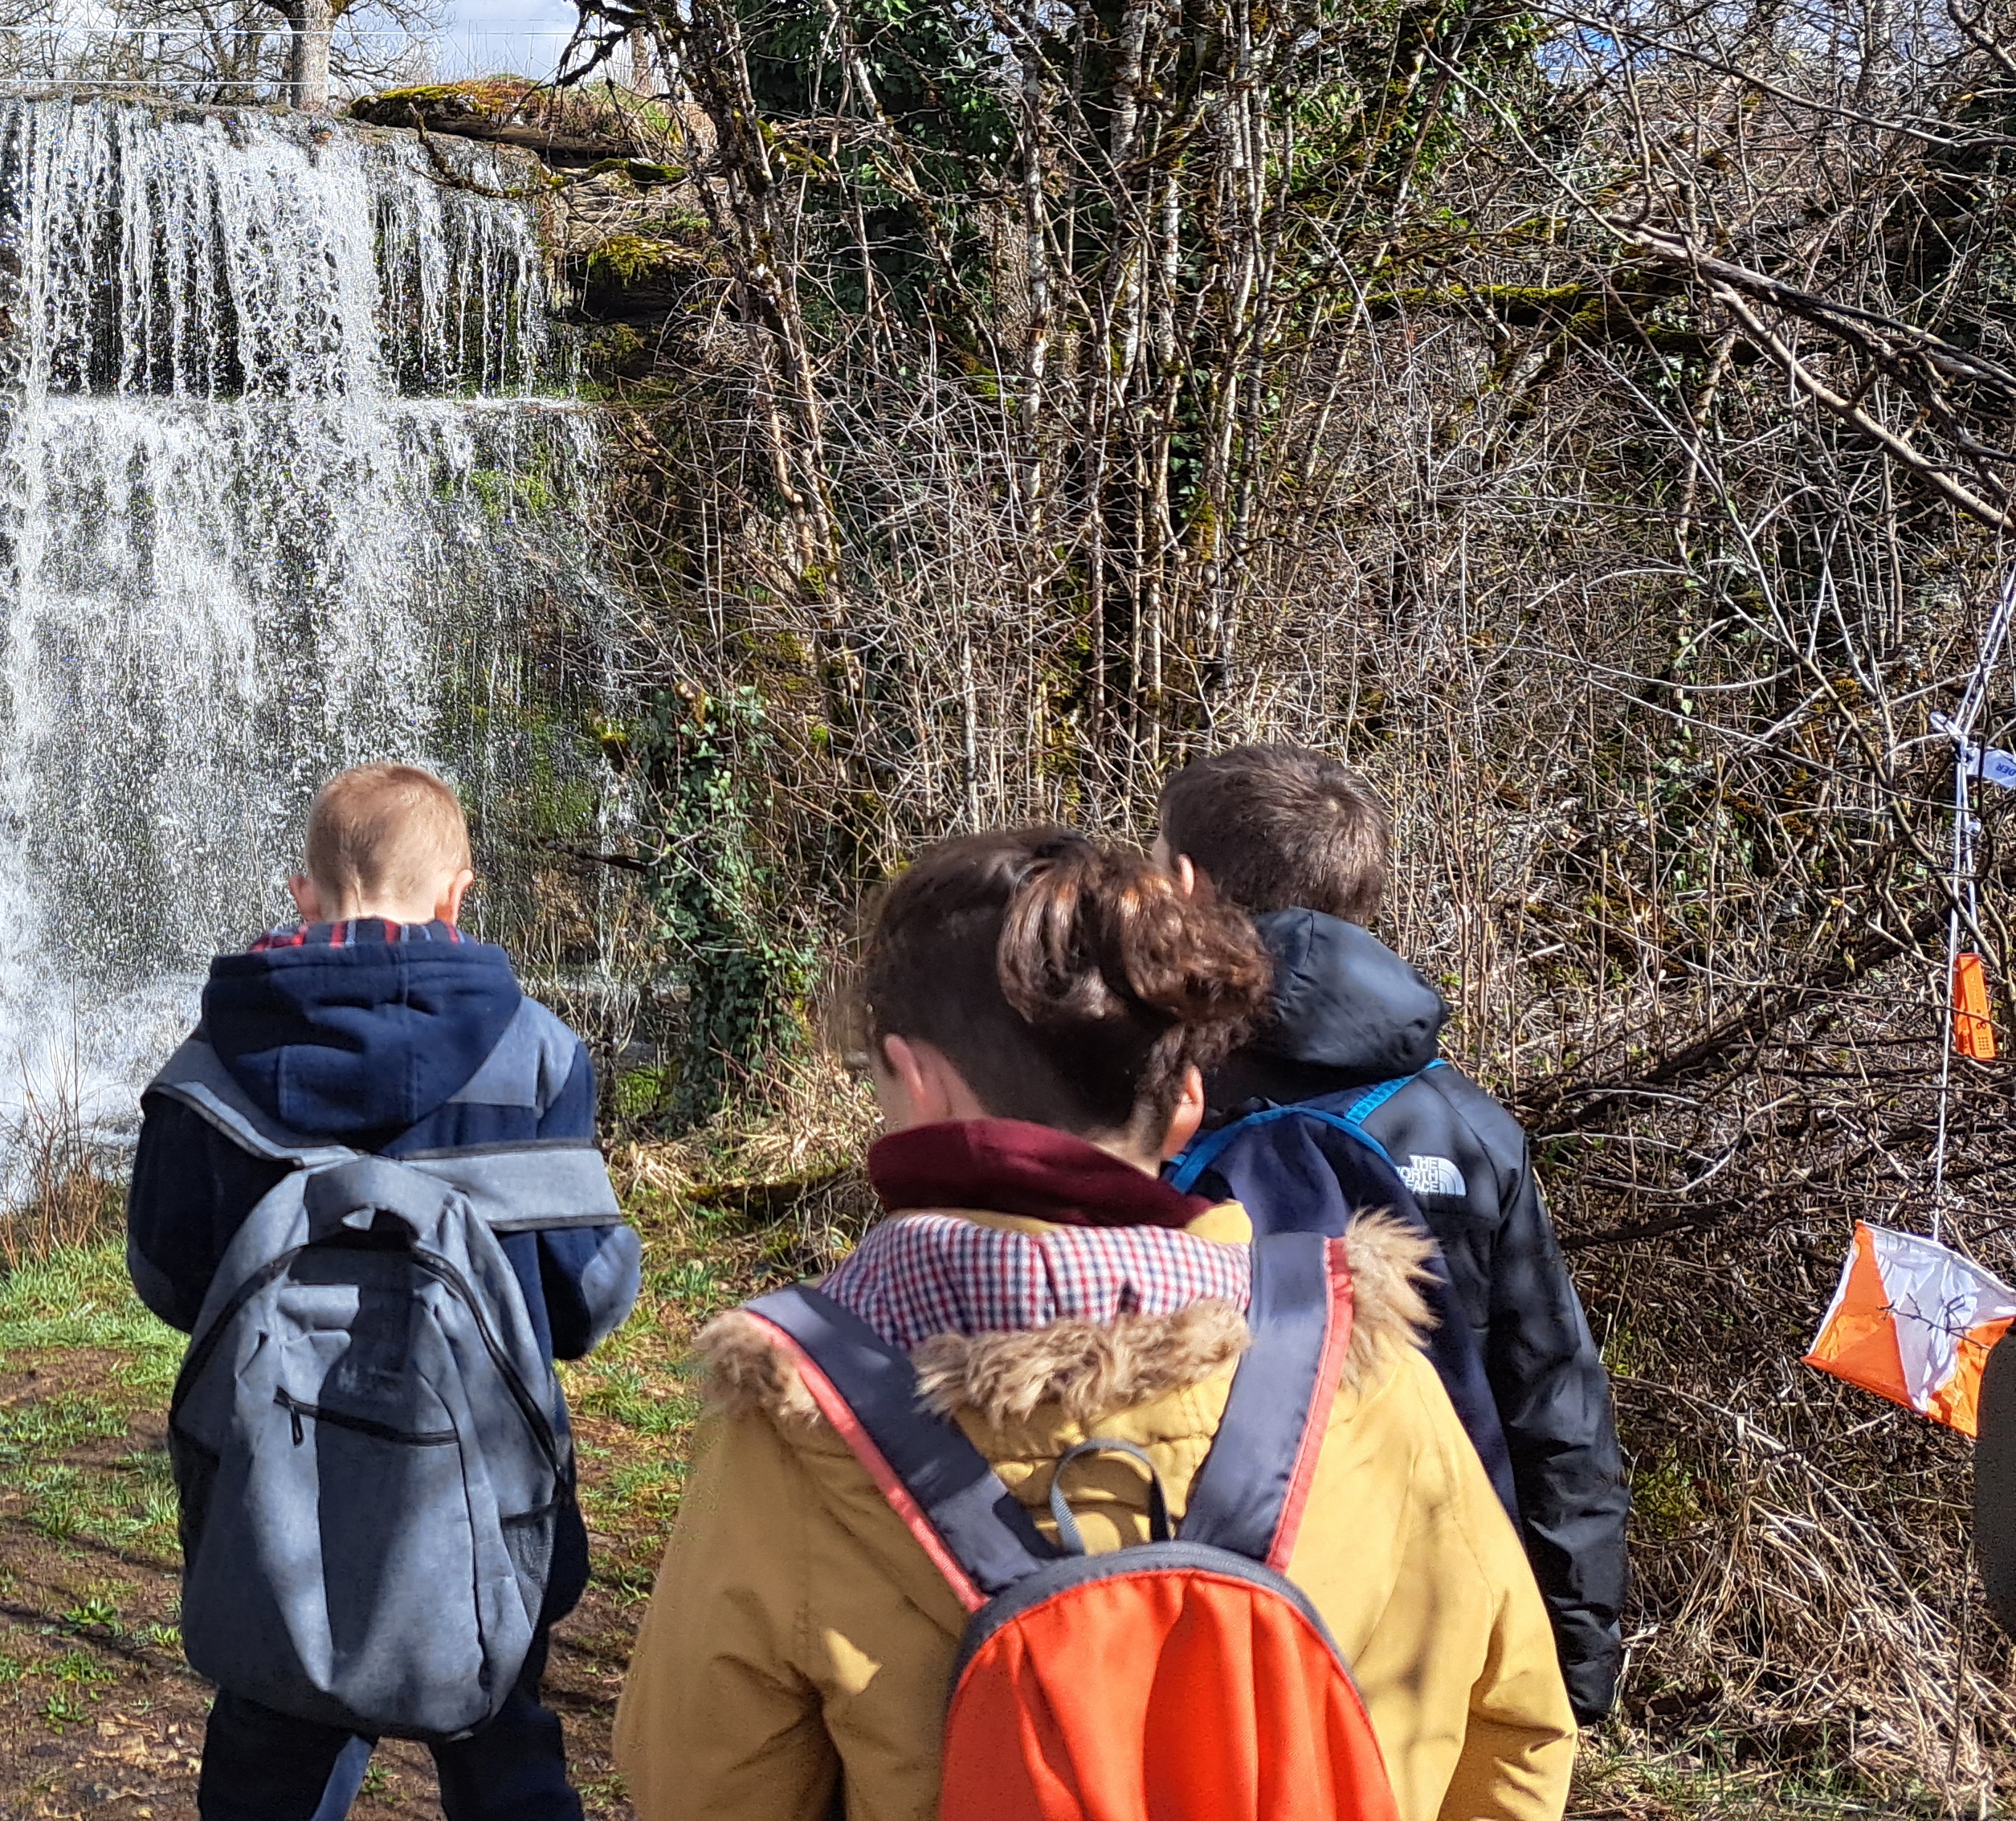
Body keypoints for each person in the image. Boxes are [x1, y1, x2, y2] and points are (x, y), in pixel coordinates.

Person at [615, 826, 1576, 1821]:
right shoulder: (1359, 1357)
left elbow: (699, 1782)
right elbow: (1515, 1732)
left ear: (916, 1078)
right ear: (1186, 1103)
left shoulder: (798, 1411)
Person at [128, 761, 639, 1821]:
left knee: (271, 1757)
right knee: (503, 1745)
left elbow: (169, 1279)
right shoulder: (538, 1056)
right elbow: (588, 1298)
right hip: (488, 1505)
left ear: (301, 897)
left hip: (283, 1504)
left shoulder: (212, 1062)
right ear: (458, 897)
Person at [1158, 742, 1630, 1728]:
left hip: (1184, 1623)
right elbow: (1554, 1409)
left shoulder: (1134, 1100)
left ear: (1187, 888)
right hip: (1423, 1642)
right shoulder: (1469, 1127)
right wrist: (1571, 1673)